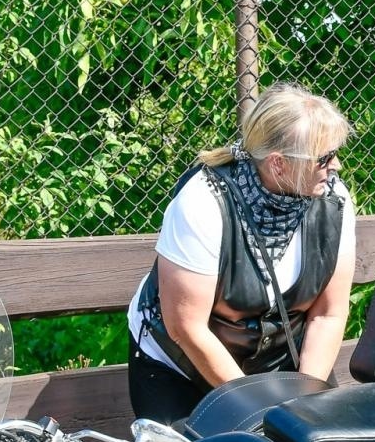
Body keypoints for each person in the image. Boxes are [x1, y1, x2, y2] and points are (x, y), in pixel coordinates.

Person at [126, 84, 357, 422]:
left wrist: (304, 402)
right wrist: (255, 410)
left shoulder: (333, 201)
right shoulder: (203, 202)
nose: (335, 165)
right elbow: (186, 327)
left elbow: (327, 315)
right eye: (323, 158)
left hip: (280, 359)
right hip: (184, 363)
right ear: (278, 165)